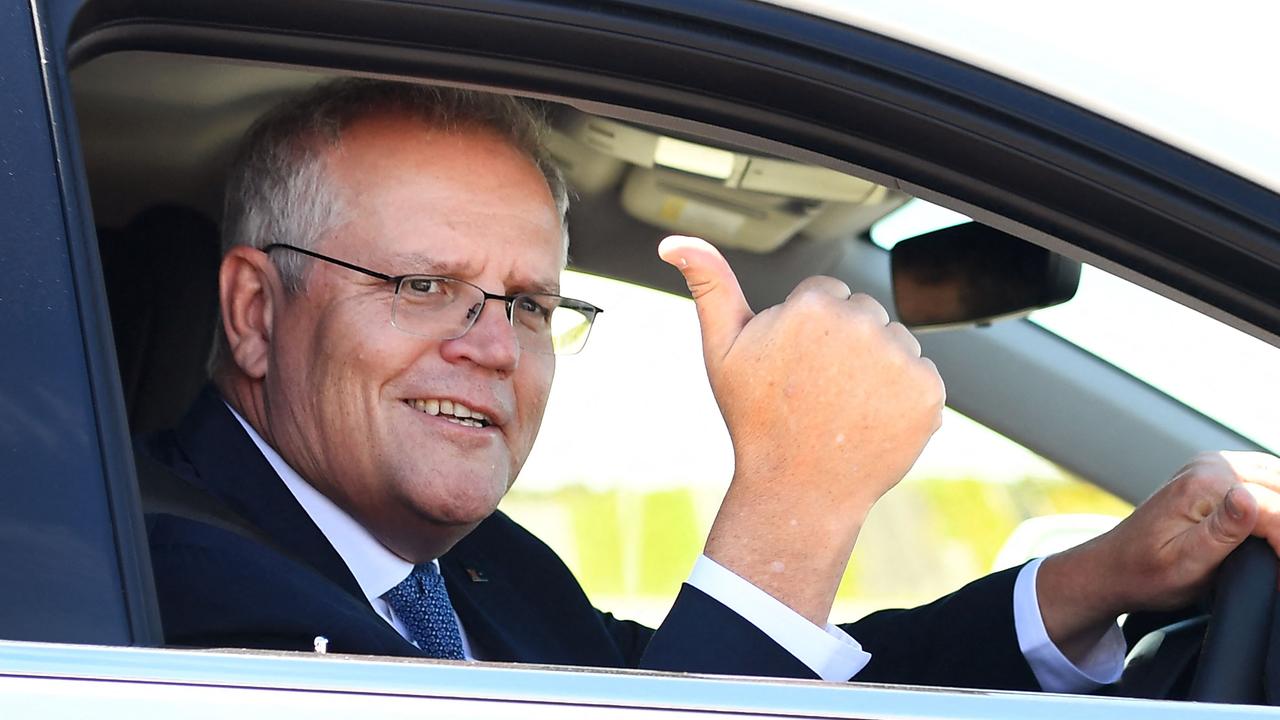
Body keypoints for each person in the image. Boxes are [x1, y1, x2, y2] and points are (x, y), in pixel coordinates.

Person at [143, 78, 1280, 691]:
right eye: (424, 283)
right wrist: (792, 498)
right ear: (255, 312)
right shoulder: (166, 589)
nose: (490, 345)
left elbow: (727, 683)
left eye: (530, 303)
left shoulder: (477, 572)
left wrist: (1107, 575)